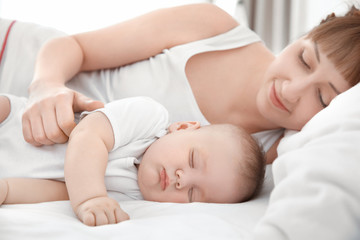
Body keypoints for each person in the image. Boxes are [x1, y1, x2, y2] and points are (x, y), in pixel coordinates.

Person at [0, 3, 359, 162]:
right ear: (303, 36)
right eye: (303, 59)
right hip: (17, 60)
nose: (290, 90)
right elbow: (73, 45)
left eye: (324, 98)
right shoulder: (214, 26)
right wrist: (46, 86)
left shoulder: (267, 156)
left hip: (18, 143)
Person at [0, 94, 265, 226]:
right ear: (183, 127)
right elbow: (87, 135)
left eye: (194, 194)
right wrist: (90, 198)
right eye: (193, 160)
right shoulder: (149, 118)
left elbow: (63, 190)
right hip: (14, 122)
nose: (182, 180)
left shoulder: (133, 197)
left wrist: (10, 190)